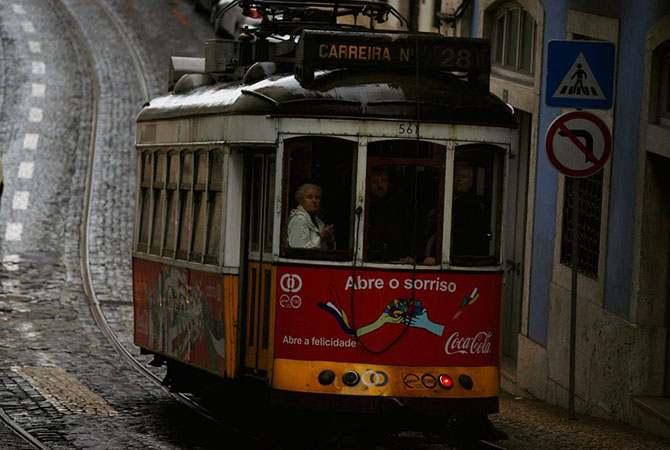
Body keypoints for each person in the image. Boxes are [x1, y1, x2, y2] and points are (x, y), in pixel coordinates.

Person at [366, 166, 413, 262]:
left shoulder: (398, 208)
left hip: (395, 260)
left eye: (383, 181)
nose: (380, 185)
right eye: (375, 182)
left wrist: (408, 255)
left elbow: (405, 235)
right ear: (368, 184)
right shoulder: (365, 208)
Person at [451, 161, 489, 256]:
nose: (458, 179)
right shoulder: (446, 199)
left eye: (463, 177)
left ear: (470, 182)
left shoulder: (472, 205)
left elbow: (466, 236)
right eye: (456, 176)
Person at [287, 183, 335, 249]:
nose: (314, 201)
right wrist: (321, 237)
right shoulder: (299, 219)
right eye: (309, 197)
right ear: (300, 200)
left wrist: (328, 239)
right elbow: (299, 251)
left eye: (317, 197)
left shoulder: (317, 220)